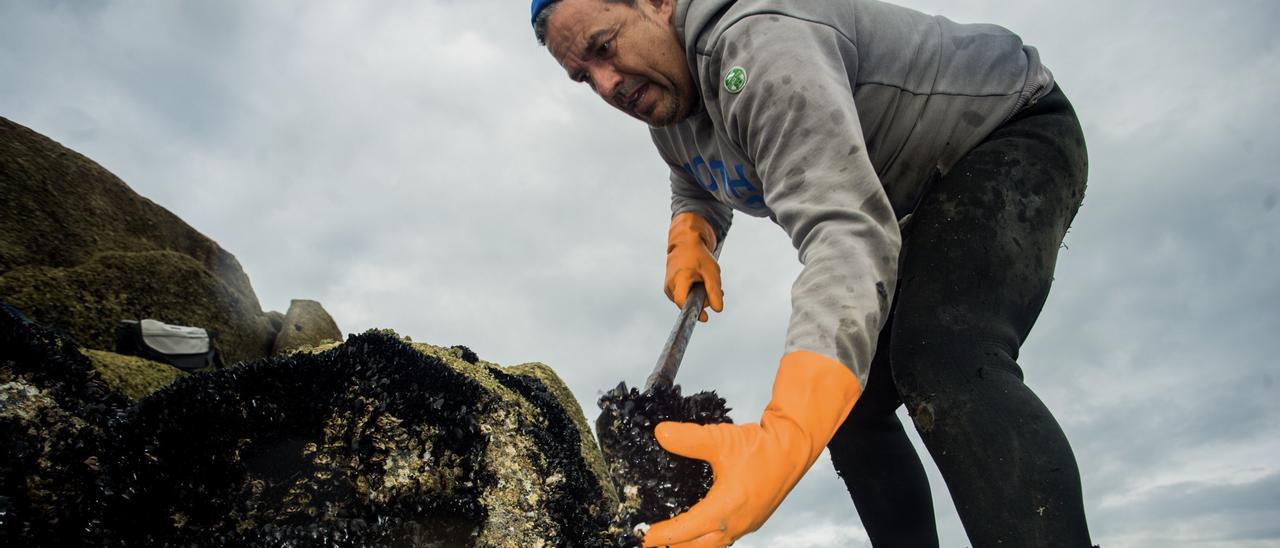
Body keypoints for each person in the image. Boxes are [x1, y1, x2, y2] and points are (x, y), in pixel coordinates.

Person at [531, 0, 1093, 545]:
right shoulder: (667, 106)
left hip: (1008, 131)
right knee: (850, 411)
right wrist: (693, 231)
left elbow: (844, 233)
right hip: (909, 205)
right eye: (584, 77)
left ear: (656, 3)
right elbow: (694, 173)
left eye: (604, 47)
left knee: (943, 353)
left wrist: (787, 434)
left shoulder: (761, 45)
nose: (606, 85)